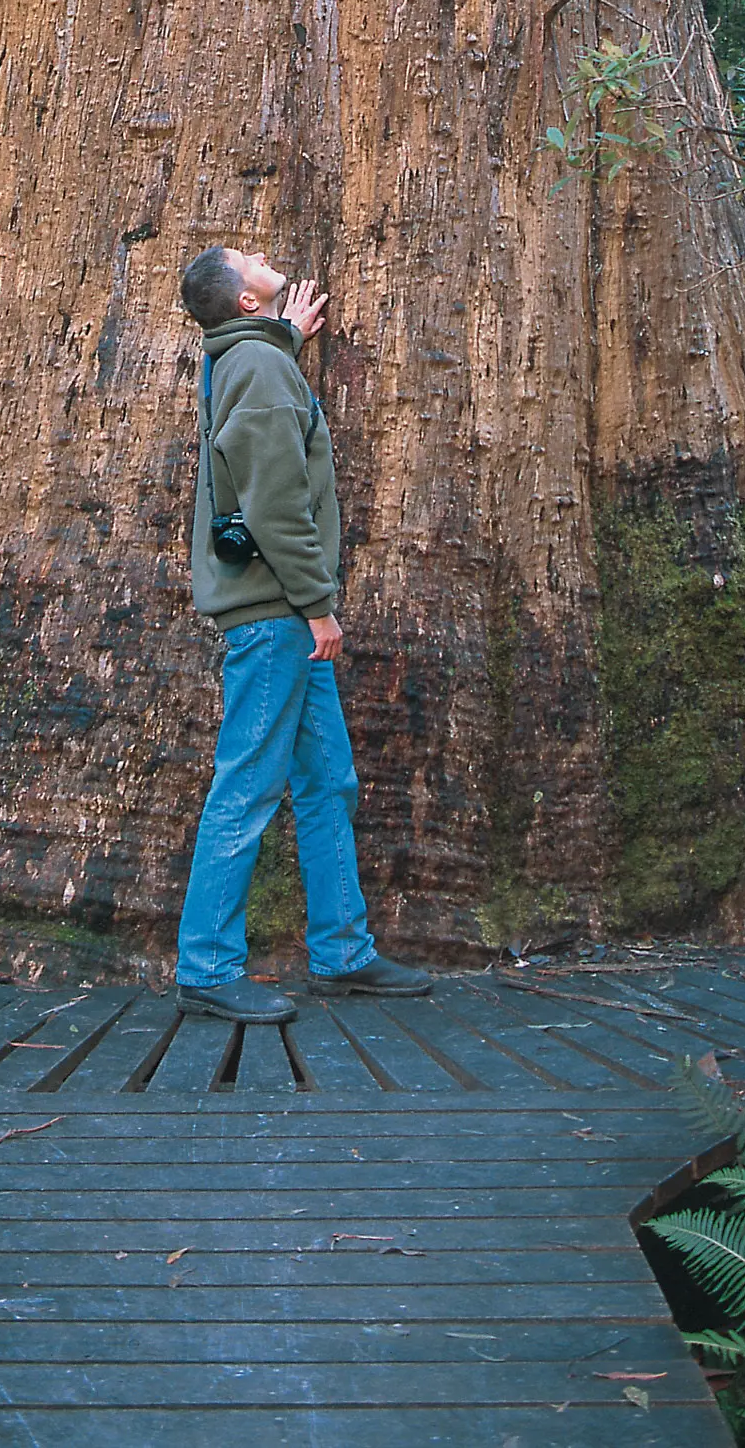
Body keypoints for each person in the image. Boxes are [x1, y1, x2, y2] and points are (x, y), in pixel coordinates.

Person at [172, 243, 433, 1023]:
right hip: (277, 615)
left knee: (327, 781)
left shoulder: (251, 357)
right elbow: (275, 503)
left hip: (283, 613)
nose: (261, 253)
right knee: (247, 785)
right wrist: (318, 604)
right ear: (246, 302)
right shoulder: (257, 370)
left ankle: (343, 952)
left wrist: (285, 338)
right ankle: (207, 968)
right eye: (247, 257)